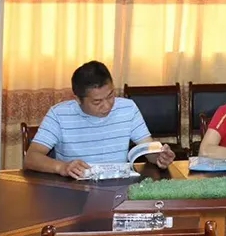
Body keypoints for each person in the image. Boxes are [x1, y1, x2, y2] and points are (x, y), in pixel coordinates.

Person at [24, 61, 175, 179]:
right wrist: (62, 167)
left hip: (117, 185)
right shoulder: (59, 114)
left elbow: (148, 149)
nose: (107, 106)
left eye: (110, 96)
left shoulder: (128, 108)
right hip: (75, 188)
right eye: (97, 102)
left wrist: (159, 157)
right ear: (78, 99)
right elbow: (31, 158)